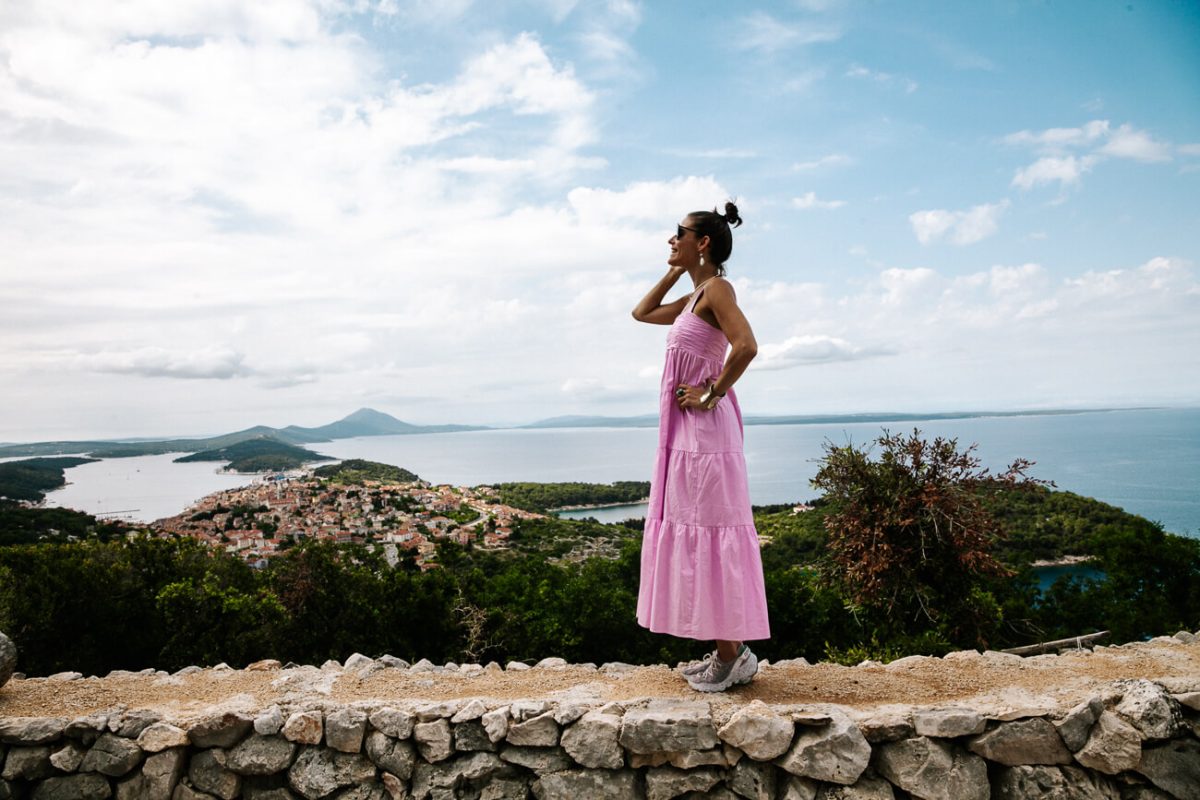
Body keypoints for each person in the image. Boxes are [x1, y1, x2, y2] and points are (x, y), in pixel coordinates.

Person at [631, 201, 770, 692]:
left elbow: (747, 345)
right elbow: (641, 312)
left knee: (712, 534)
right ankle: (726, 652)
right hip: (685, 439)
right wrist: (673, 272)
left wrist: (711, 394)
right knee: (696, 533)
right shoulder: (696, 296)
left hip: (706, 437)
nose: (671, 240)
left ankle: (733, 659)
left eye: (679, 234)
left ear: (703, 241)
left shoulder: (717, 289)